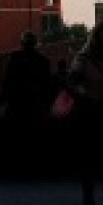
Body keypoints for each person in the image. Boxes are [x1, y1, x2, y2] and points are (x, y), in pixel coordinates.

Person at [66, 22, 103, 205]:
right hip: (91, 111)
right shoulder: (83, 59)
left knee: (89, 157)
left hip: (92, 109)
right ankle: (88, 196)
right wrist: (83, 92)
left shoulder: (83, 58)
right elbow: (72, 81)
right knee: (89, 157)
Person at [0, 31, 52, 129]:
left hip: (17, 105)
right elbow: (47, 85)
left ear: (22, 43)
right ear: (35, 43)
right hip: (35, 105)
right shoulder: (43, 61)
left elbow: (7, 81)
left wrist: (3, 101)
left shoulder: (14, 58)